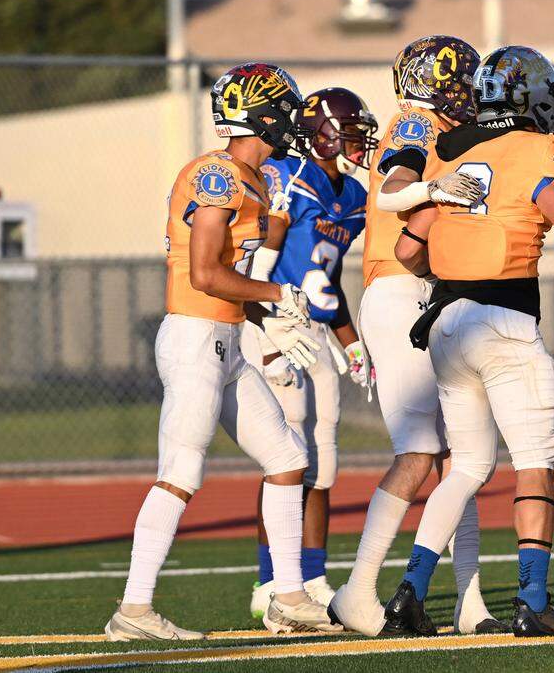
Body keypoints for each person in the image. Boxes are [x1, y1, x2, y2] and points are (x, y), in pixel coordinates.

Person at [389, 45, 554, 638]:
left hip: (447, 322)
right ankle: (531, 600)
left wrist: (459, 264)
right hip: (504, 321)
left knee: (468, 466)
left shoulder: (452, 148)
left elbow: (408, 250)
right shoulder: (540, 150)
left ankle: (408, 594)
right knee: (535, 463)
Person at [105, 63, 334, 640]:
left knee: (287, 460)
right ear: (260, 116)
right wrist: (280, 293)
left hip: (226, 340)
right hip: (194, 338)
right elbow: (206, 273)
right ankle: (133, 610)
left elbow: (230, 279)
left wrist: (270, 321)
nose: (292, 119)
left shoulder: (251, 178)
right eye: (283, 108)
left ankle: (288, 596)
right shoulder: (217, 175)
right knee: (181, 472)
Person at [329, 35, 505, 637]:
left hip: (433, 292)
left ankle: (470, 601)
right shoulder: (413, 119)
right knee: (421, 451)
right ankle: (357, 591)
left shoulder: (452, 133)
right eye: (457, 81)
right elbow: (392, 188)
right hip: (400, 292)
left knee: (464, 453)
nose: (469, 92)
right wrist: (433, 191)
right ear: (430, 83)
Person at [243, 87, 378, 620]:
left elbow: (328, 277)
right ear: (322, 132)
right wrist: (266, 330)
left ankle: (314, 574)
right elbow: (260, 265)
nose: (358, 139)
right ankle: (269, 579)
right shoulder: (290, 180)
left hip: (318, 331)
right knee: (286, 455)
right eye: (349, 129)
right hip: (279, 324)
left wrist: (351, 338)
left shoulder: (356, 195)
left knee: (323, 462)